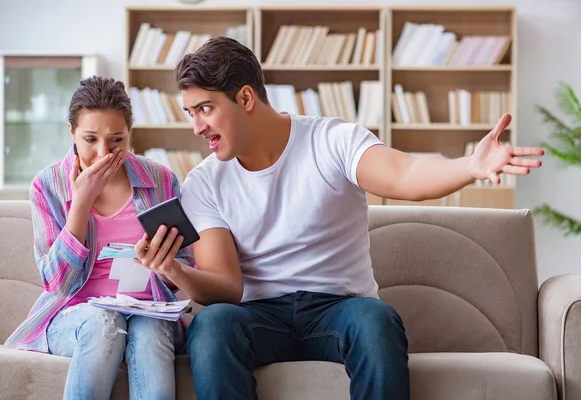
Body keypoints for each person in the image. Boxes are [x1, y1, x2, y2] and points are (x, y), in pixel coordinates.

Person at [134, 37, 544, 400]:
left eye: (204, 109)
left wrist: (470, 166)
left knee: (376, 319)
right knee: (213, 326)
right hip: (259, 316)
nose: (196, 127)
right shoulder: (204, 181)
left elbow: (404, 175)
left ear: (244, 98)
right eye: (190, 112)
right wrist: (174, 271)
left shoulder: (331, 141)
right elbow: (226, 286)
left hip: (340, 308)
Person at [4, 76, 195, 400]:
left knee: (148, 330)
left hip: (150, 311)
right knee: (104, 321)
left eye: (116, 139)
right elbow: (58, 284)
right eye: (90, 139)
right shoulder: (48, 185)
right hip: (75, 315)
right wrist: (81, 204)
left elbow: (185, 269)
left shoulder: (161, 180)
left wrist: (163, 264)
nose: (103, 153)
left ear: (130, 132)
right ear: (71, 133)